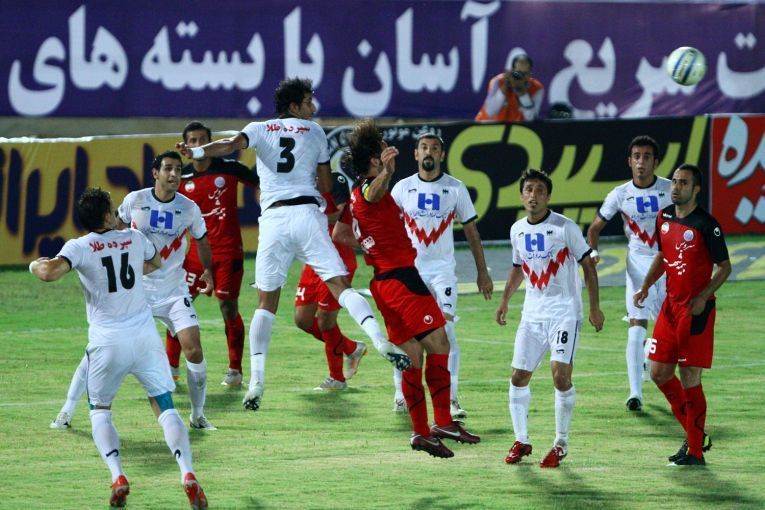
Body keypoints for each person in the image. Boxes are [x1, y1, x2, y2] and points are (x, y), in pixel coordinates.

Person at [176, 78, 411, 412]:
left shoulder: (259, 128)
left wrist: (198, 152)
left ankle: (256, 382)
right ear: (293, 106)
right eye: (307, 101)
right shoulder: (315, 132)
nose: (313, 106)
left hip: (274, 219)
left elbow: (229, 145)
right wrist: (322, 195)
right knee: (340, 286)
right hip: (307, 215)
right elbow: (326, 183)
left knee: (265, 304)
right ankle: (378, 339)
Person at [31, 188, 208, 509]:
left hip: (108, 342)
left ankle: (118, 475)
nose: (117, 214)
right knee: (165, 405)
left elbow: (48, 272)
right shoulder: (134, 238)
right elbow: (155, 263)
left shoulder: (79, 246)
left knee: (100, 410)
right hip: (143, 337)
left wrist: (35, 265)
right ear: (106, 216)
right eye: (113, 210)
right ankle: (187, 472)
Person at [333, 119, 480, 459]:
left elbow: (339, 234)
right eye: (382, 153)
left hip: (385, 281)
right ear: (374, 160)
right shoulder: (370, 189)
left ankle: (421, 433)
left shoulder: (355, 194)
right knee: (440, 341)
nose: (388, 154)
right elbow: (374, 193)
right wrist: (385, 173)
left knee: (412, 356)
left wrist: (370, 245)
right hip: (402, 280)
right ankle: (443, 421)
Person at [50, 151, 218, 432]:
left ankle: (198, 416)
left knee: (194, 348)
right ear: (155, 173)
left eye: (178, 169)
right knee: (97, 350)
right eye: (168, 168)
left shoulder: (189, 208)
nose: (174, 174)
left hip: (173, 291)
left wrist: (208, 270)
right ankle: (66, 411)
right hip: (136, 293)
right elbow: (114, 233)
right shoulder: (134, 200)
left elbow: (201, 240)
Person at [496, 169, 604, 468]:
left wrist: (594, 307)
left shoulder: (565, 227)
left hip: (564, 313)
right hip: (532, 314)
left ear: (548, 196)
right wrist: (505, 301)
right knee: (518, 377)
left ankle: (560, 443)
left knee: (560, 377)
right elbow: (518, 268)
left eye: (539, 190)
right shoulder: (517, 230)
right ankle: (521, 439)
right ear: (522, 195)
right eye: (528, 189)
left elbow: (588, 266)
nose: (533, 195)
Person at [389, 132, 493, 418]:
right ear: (416, 154)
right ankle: (400, 394)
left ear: (442, 155)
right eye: (424, 147)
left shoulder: (456, 188)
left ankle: (452, 398)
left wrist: (482, 272)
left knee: (446, 332)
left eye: (434, 148)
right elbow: (388, 228)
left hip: (442, 273)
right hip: (409, 273)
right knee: (405, 334)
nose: (429, 152)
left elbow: (472, 232)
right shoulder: (402, 188)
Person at [634, 164, 731, 466]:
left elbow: (725, 267)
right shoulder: (663, 217)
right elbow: (663, 255)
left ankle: (695, 452)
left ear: (696, 189)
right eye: (674, 181)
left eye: (683, 183)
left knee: (690, 378)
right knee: (658, 373)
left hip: (695, 311)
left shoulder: (706, 225)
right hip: (670, 307)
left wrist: (703, 296)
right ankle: (694, 436)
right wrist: (645, 285)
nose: (676, 187)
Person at [164, 121, 260, 388]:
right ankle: (170, 369)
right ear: (186, 145)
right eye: (192, 141)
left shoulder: (230, 168)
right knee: (178, 307)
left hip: (229, 253)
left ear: (211, 142)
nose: (198, 145)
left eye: (202, 140)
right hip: (195, 256)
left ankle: (235, 370)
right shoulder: (181, 177)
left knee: (229, 308)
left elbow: (262, 184)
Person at [587, 136, 672, 411]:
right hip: (636, 264)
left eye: (647, 156)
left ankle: (648, 353)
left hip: (668, 264)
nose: (641, 162)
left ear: (656, 162)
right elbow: (594, 229)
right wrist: (593, 252)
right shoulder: (620, 194)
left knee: (669, 331)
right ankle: (635, 393)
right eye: (636, 156)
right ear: (629, 161)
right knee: (636, 325)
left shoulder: (670, 189)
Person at [293, 169, 367, 390]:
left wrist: (311, 217)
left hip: (338, 259)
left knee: (326, 319)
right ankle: (351, 348)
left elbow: (342, 212)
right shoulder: (303, 180)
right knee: (302, 320)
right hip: (313, 261)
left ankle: (336, 378)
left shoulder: (335, 179)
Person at [475, 54, 544, 122]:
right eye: (518, 73)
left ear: (530, 74)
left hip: (514, 127)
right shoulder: (497, 81)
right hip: (486, 125)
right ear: (512, 71)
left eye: (525, 74)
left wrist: (522, 93)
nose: (521, 77)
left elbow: (530, 118)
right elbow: (490, 112)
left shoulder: (537, 88)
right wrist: (505, 86)